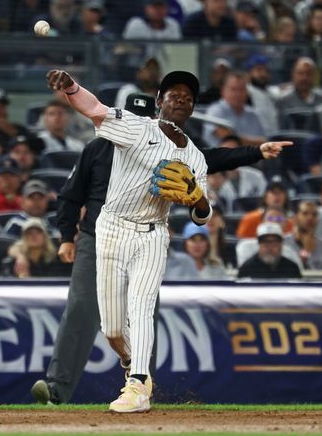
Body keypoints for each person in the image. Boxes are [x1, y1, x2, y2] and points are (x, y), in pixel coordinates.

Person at [31, 92, 290, 406]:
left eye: (144, 117)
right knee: (83, 310)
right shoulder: (98, 148)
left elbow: (210, 158)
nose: (139, 122)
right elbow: (71, 195)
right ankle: (57, 390)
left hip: (144, 238)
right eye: (133, 117)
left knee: (143, 310)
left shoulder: (161, 149)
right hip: (97, 238)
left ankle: (141, 386)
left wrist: (256, 153)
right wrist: (66, 237)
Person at [44, 67, 214, 413]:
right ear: (159, 102)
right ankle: (132, 362)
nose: (181, 99)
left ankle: (138, 383)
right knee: (112, 328)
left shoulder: (195, 157)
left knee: (142, 305)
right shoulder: (136, 127)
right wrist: (72, 87)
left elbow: (203, 215)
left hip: (153, 233)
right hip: (112, 228)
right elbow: (95, 109)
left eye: (188, 97)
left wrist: (197, 197)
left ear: (193, 108)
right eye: (173, 94)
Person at [202, 72, 265, 147]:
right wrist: (251, 142)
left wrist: (236, 139)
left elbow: (263, 142)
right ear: (223, 91)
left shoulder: (253, 114)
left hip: (251, 157)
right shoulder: (215, 111)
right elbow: (227, 139)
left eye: (241, 89)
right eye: (233, 89)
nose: (238, 94)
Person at [3, 217, 71, 278]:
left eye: (38, 232)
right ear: (24, 238)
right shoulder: (14, 262)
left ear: (45, 236)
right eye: (29, 233)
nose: (34, 236)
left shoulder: (57, 260)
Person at [283, 199, 322, 270]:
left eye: (314, 215)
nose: (310, 218)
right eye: (305, 213)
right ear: (296, 217)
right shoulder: (283, 243)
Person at [237, 222, 301, 279]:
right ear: (259, 244)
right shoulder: (247, 269)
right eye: (265, 242)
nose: (269, 247)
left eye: (274, 242)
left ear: (281, 244)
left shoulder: (291, 268)